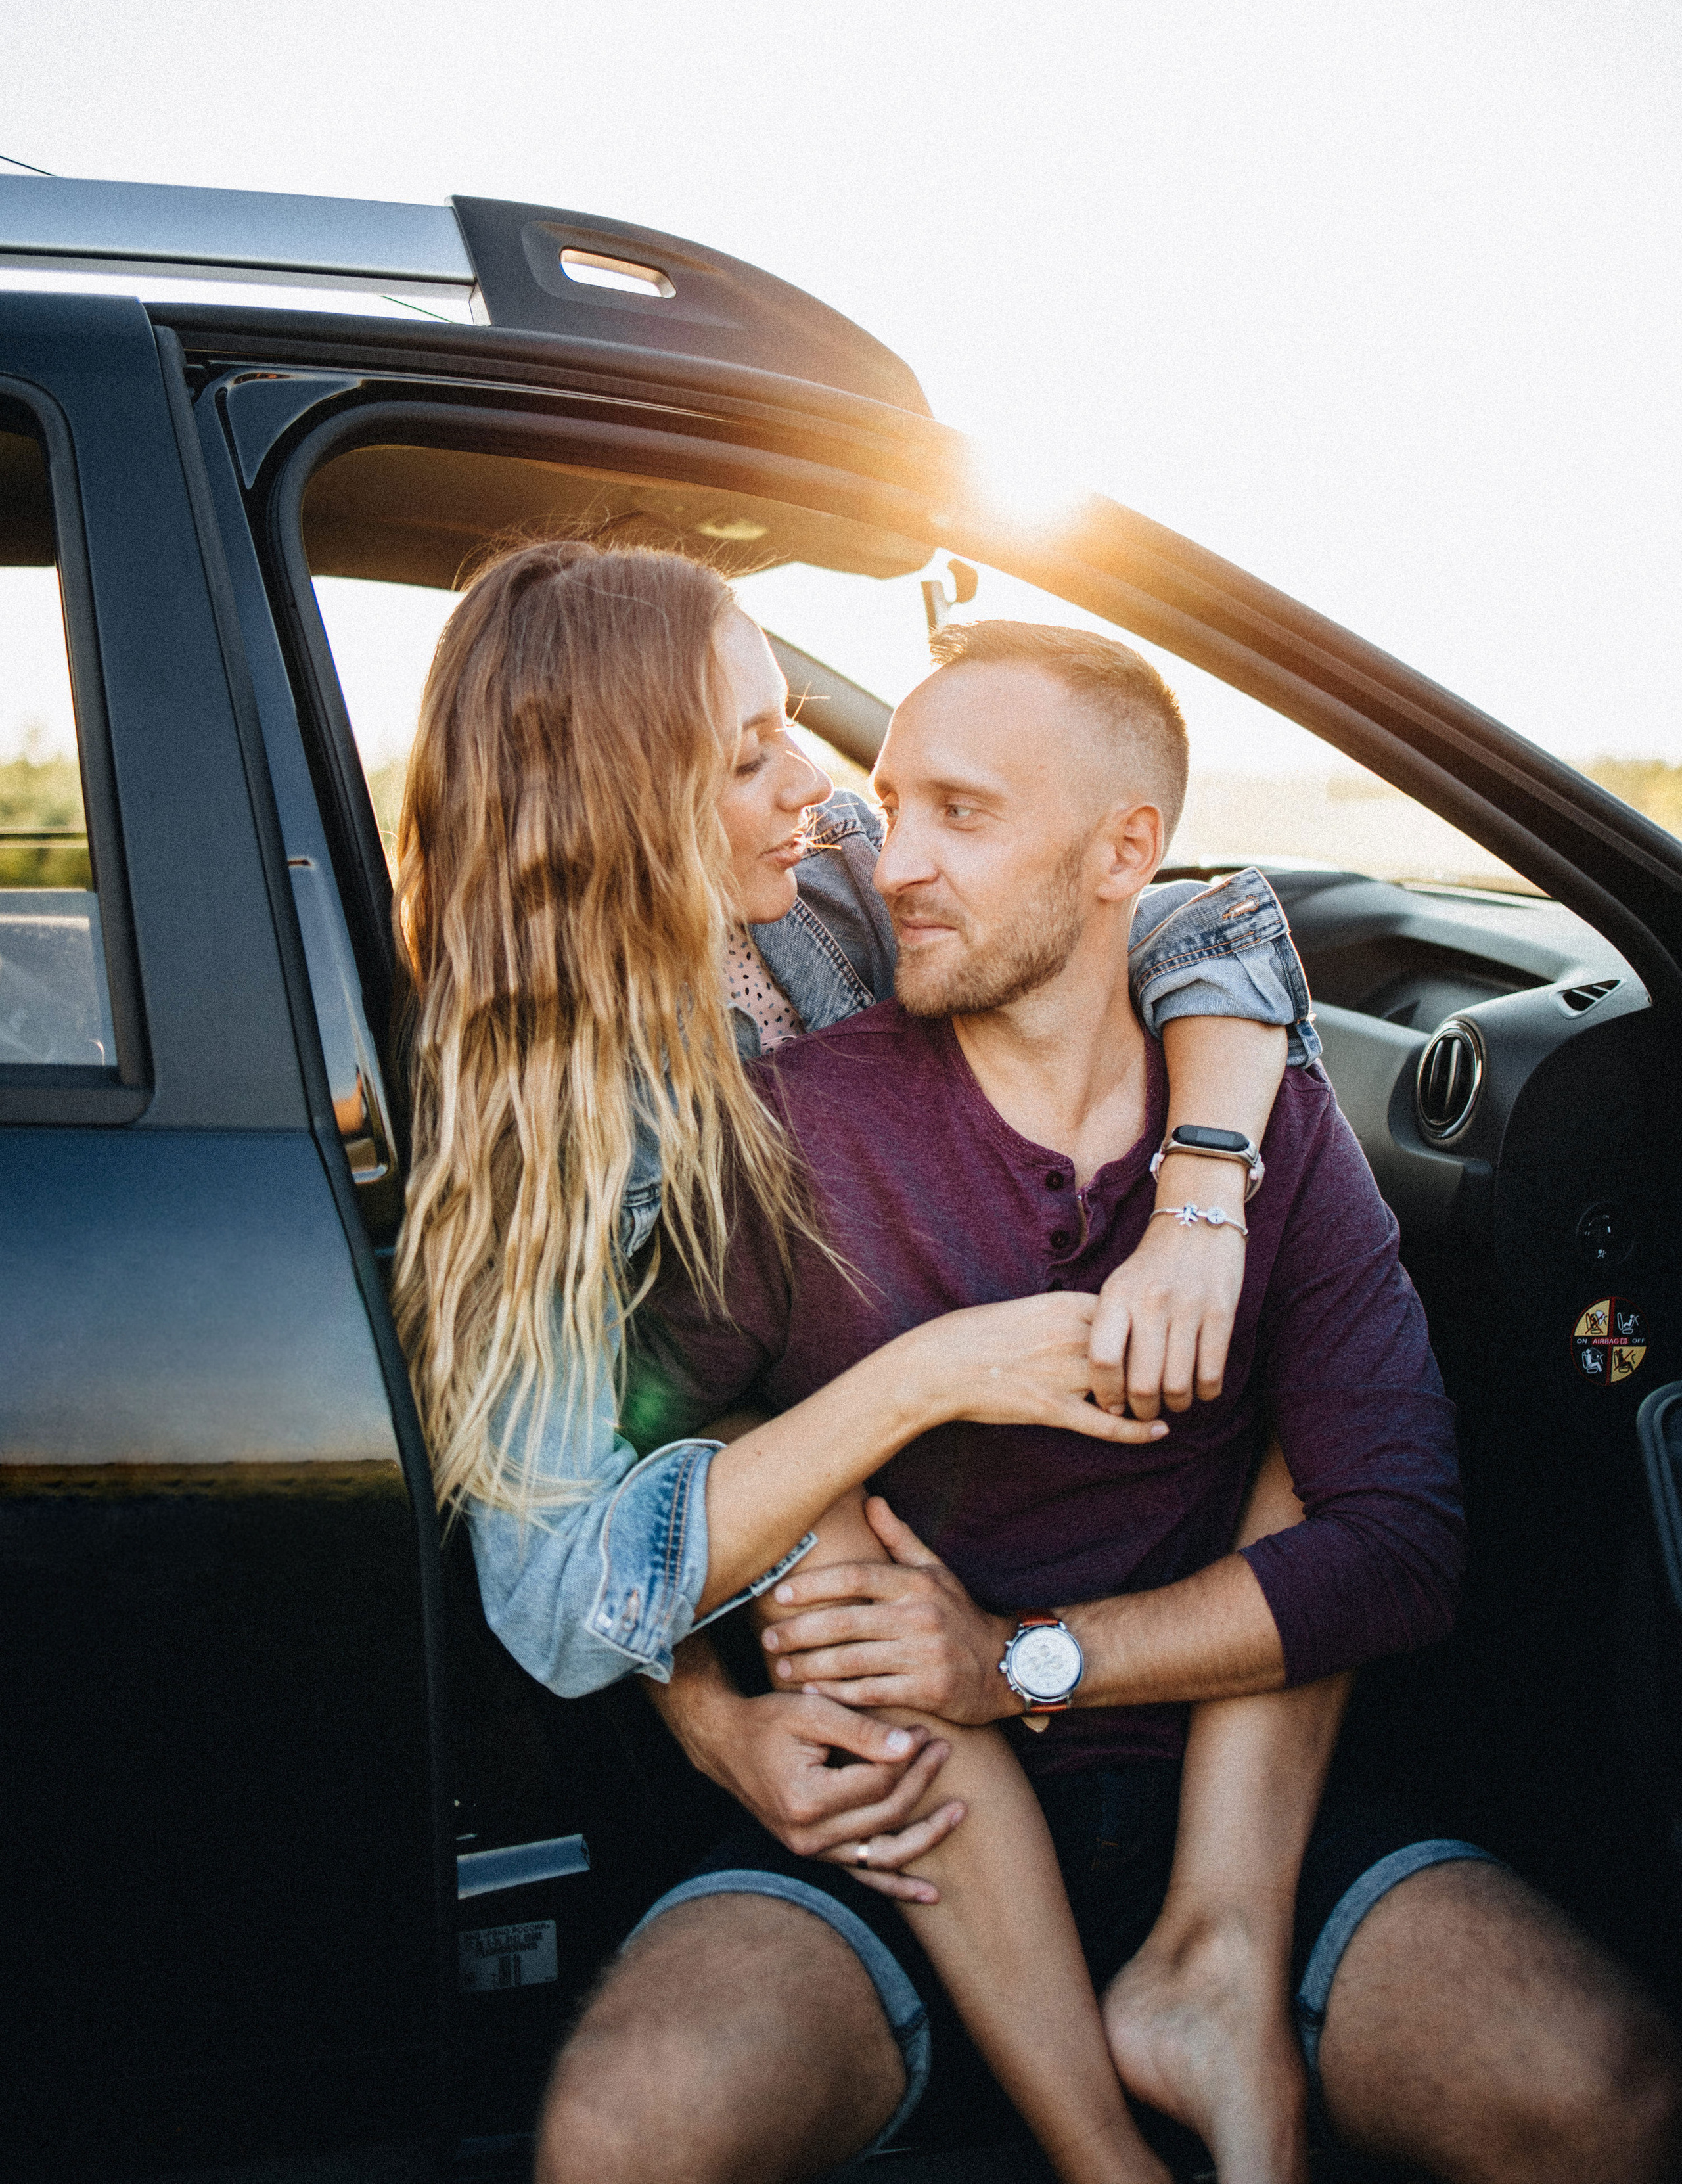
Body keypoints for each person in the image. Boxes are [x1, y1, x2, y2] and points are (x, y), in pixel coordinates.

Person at [536, 617, 1682, 2184]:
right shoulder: (792, 1131)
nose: (889, 866)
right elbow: (627, 1460)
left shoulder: (1254, 1123)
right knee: (627, 2131)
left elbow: (1400, 1544)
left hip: (1226, 1793)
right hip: (898, 1816)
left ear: (1118, 852)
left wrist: (1013, 1665)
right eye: (892, 806)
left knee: (1597, 2092)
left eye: (963, 814)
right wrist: (725, 1720)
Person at [390, 542, 1334, 2181]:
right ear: (621, 804)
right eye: (749, 752)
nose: (819, 787)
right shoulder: (549, 1130)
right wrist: (715, 1711)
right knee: (835, 1544)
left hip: (1006, 1567)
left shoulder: (822, 889)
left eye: (789, 728)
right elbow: (556, 1591)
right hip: (826, 1629)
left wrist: (1199, 1184)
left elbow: (1197, 912)